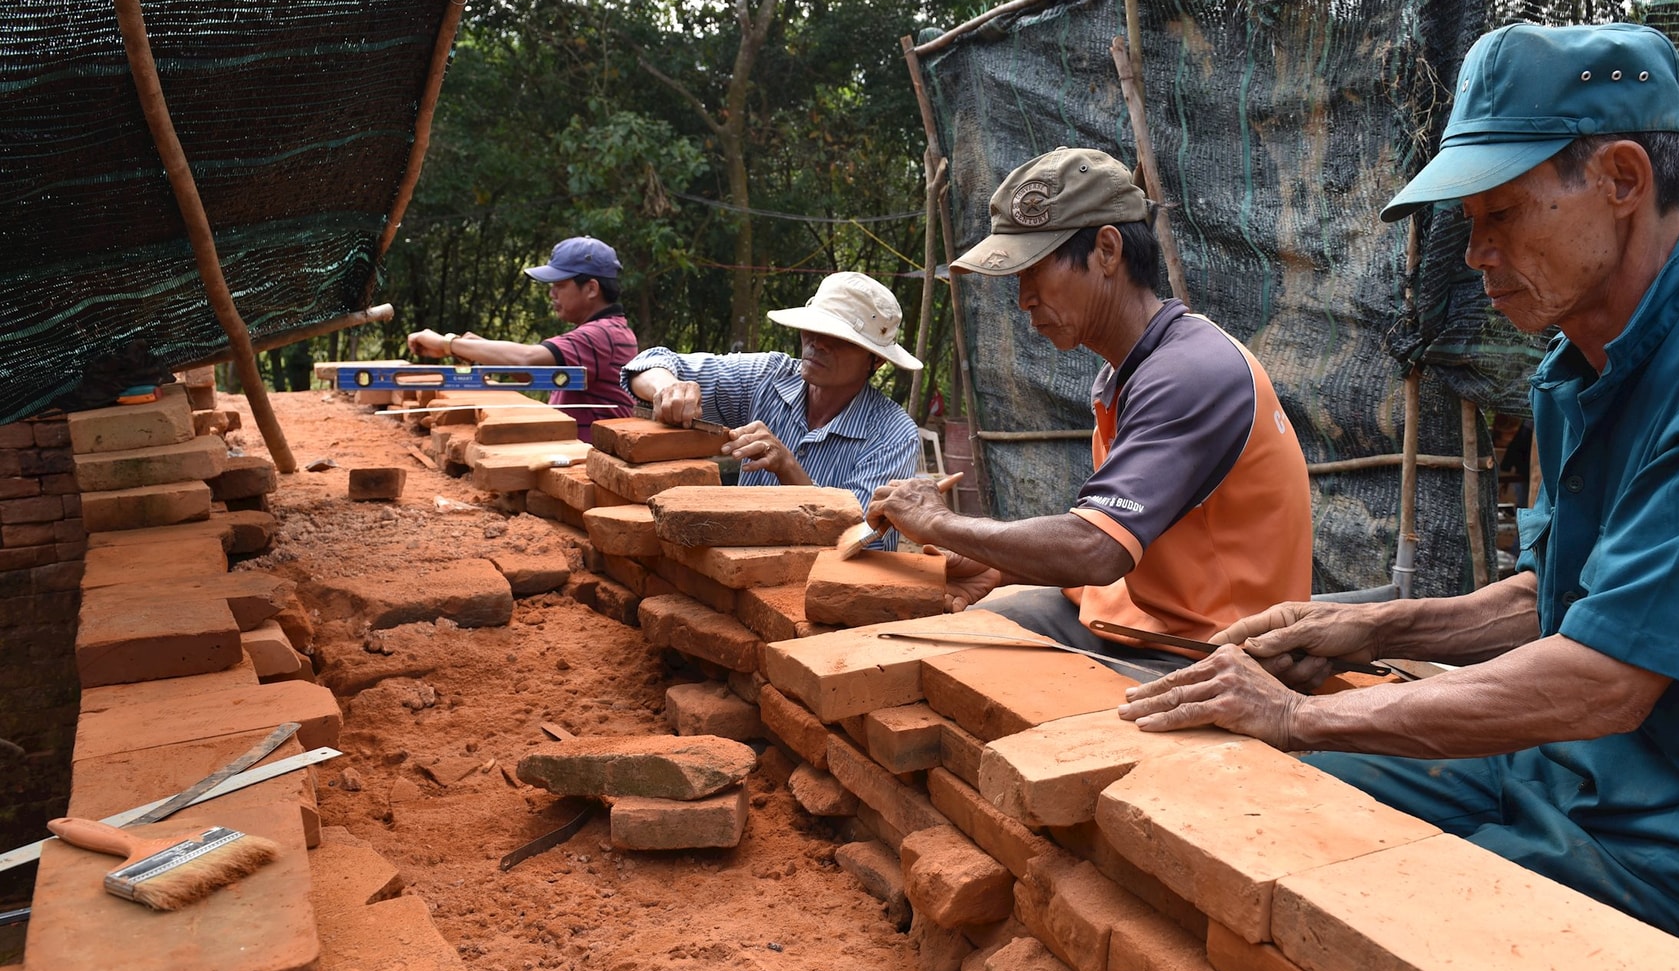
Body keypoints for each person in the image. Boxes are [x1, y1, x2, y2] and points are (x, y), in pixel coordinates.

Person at [1116, 23, 1679, 971]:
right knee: (1269, 811)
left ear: (1622, 179)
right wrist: (1360, 633)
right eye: (1470, 222)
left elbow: (1605, 677)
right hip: (1575, 770)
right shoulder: (1577, 371)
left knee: (1347, 908)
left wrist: (1300, 715)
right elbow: (1564, 602)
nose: (1475, 254)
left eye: (1501, 214)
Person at [867, 148, 1314, 677]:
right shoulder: (1130, 370)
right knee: (965, 633)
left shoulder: (1192, 373)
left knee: (981, 681)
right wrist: (998, 566)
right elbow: (1126, 546)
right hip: (1142, 617)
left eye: (1034, 270)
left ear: (1107, 250)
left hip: (1215, 650)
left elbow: (1097, 549)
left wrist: (937, 523)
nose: (1024, 299)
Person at [622, 271, 923, 527]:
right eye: (814, 328)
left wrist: (788, 468)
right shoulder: (767, 376)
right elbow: (647, 364)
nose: (818, 343)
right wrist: (670, 387)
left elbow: (866, 535)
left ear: (876, 361)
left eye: (839, 339)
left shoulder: (892, 434)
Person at [406, 236, 636, 442]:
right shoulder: (605, 331)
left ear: (592, 289)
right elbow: (532, 370)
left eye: (560, 285)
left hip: (590, 468)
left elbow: (527, 362)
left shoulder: (602, 334)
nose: (552, 293)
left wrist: (447, 344)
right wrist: (473, 347)